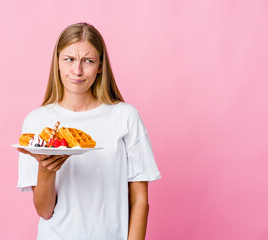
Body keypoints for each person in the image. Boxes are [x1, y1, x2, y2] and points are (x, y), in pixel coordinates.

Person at [17, 22, 161, 240]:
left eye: (88, 61)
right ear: (57, 62)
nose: (77, 70)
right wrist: (46, 170)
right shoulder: (37, 122)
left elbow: (140, 202)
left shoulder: (125, 117)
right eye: (69, 59)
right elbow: (45, 212)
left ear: (101, 66)